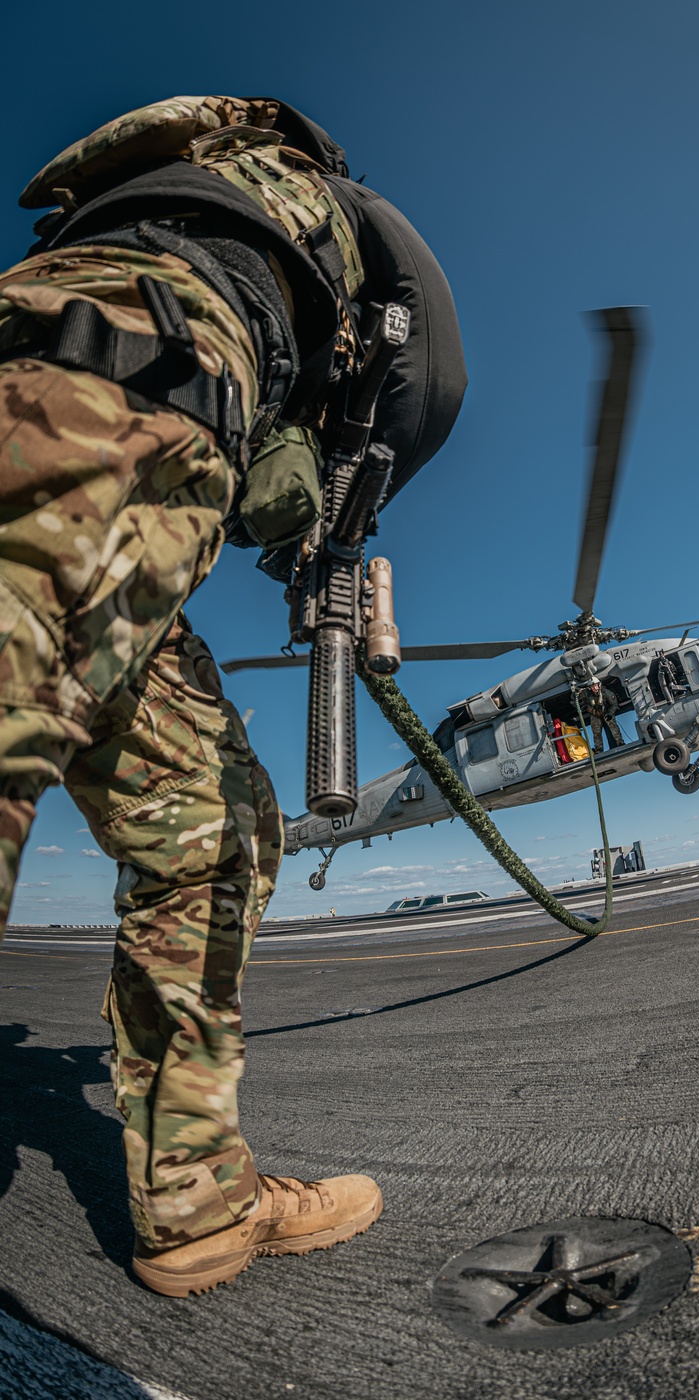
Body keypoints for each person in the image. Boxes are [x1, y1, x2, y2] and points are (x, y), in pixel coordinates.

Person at [0, 96, 465, 1297]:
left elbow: (287, 465)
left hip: (131, 432)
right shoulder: (313, 221)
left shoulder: (207, 221)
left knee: (214, 827)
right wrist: (348, 533)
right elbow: (425, 387)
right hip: (98, 401)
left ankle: (195, 1199)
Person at [582, 681, 624, 754]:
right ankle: (598, 750)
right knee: (596, 731)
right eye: (592, 686)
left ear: (599, 685)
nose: (595, 688)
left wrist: (610, 714)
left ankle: (620, 742)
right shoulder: (587, 694)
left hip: (606, 712)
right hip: (595, 713)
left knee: (613, 726)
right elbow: (576, 698)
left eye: (595, 685)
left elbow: (614, 705)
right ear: (590, 688)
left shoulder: (606, 693)